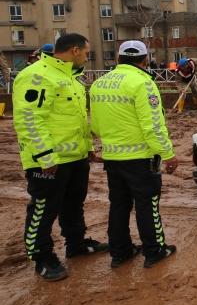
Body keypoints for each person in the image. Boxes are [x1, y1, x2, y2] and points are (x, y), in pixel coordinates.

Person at [12, 33, 108, 281]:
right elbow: (29, 119)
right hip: (48, 161)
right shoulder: (37, 75)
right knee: (43, 209)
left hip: (74, 156)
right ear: (75, 50)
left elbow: (76, 118)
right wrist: (45, 156)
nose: (87, 57)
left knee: (73, 203)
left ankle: (75, 244)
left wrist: (87, 147)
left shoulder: (71, 77)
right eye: (86, 52)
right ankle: (41, 257)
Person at [90, 40, 178, 268]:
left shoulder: (99, 83)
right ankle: (154, 250)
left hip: (112, 157)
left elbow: (96, 126)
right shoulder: (143, 83)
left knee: (118, 205)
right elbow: (153, 126)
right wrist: (167, 153)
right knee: (147, 206)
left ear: (118, 58)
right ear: (145, 59)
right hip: (140, 158)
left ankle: (120, 252)